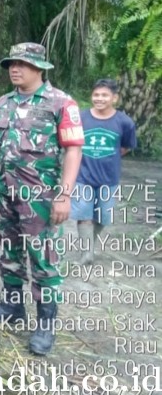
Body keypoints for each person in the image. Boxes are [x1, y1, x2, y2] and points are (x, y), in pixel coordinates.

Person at [0, 42, 84, 356]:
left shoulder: (60, 103)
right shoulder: (4, 102)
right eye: (11, 64)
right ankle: (13, 307)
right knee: (6, 252)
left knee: (43, 261)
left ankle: (45, 325)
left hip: (41, 197)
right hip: (6, 194)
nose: (14, 69)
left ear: (40, 68)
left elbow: (73, 149)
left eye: (22, 64)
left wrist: (64, 195)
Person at [70, 78, 136, 264]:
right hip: (82, 176)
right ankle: (86, 254)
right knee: (83, 216)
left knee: (103, 217)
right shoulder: (81, 118)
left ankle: (89, 245)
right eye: (96, 95)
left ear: (115, 98)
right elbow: (72, 145)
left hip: (109, 178)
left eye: (105, 95)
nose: (100, 98)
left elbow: (125, 148)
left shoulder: (125, 122)